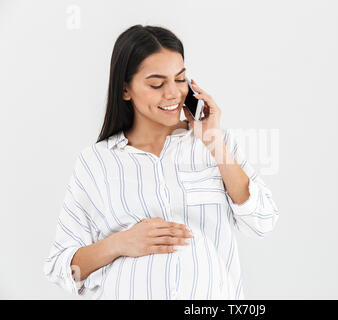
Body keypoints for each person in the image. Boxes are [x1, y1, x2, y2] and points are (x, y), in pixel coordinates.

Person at [43, 24, 279, 300]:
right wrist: (120, 243)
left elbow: (262, 222)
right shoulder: (96, 162)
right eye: (157, 84)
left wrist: (213, 141)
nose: (173, 94)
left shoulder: (216, 145)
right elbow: (63, 270)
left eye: (180, 79)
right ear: (125, 90)